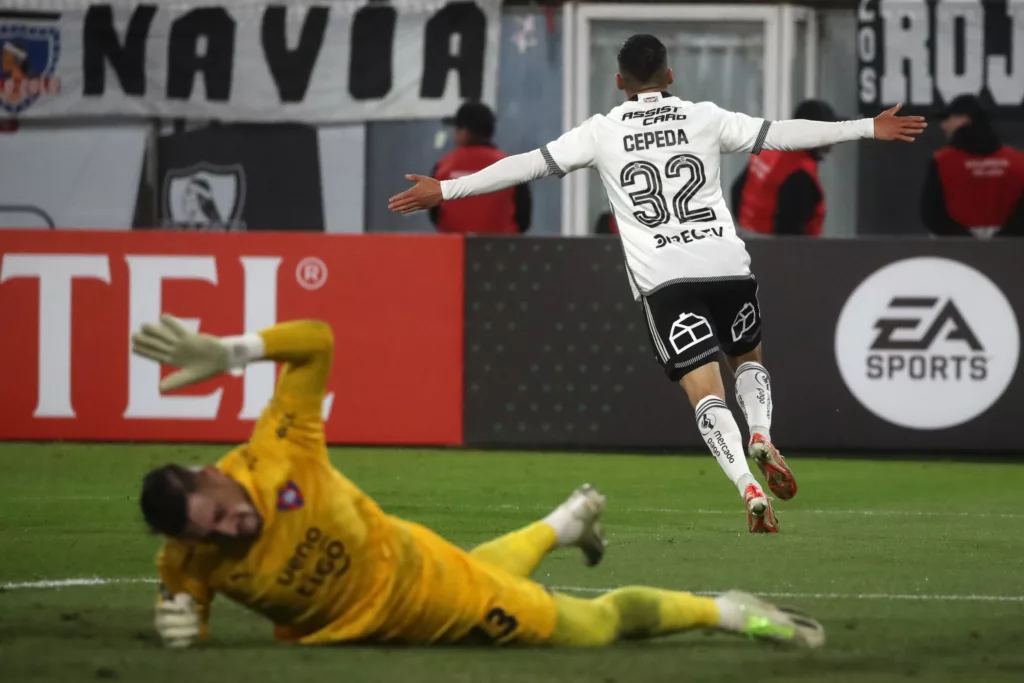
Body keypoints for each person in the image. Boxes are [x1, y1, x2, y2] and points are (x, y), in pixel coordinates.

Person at [389, 34, 926, 533]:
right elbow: (781, 134)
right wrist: (864, 127)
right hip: (726, 267)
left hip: (665, 281)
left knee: (703, 389)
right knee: (750, 359)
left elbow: (528, 166)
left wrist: (447, 190)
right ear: (670, 73)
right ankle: (761, 432)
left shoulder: (600, 131)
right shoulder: (705, 117)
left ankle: (746, 489)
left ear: (618, 81)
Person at [132, 314, 825, 650]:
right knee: (476, 566)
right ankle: (566, 523)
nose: (226, 530)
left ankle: (728, 610)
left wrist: (232, 351)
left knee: (591, 627)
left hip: (435, 597)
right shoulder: (188, 554)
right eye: (208, 534)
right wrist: (180, 626)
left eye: (216, 514)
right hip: (402, 576)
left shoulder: (275, 453)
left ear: (211, 475)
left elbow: (317, 340)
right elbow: (184, 607)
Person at [730, 100, 841, 238]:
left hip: (746, 239)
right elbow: (790, 234)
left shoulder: (769, 150)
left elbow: (737, 190)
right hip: (776, 252)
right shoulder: (800, 174)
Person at [921, 94, 1024, 239]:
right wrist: (1002, 240)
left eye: (948, 119)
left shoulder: (942, 162)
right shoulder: (1018, 162)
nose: (943, 126)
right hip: (1012, 253)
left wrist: (968, 243)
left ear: (964, 119)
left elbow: (932, 215)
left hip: (951, 252)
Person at [429, 102, 531, 235]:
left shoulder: (443, 168)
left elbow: (434, 214)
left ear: (464, 132)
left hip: (454, 251)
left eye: (456, 129)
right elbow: (523, 219)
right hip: (502, 251)